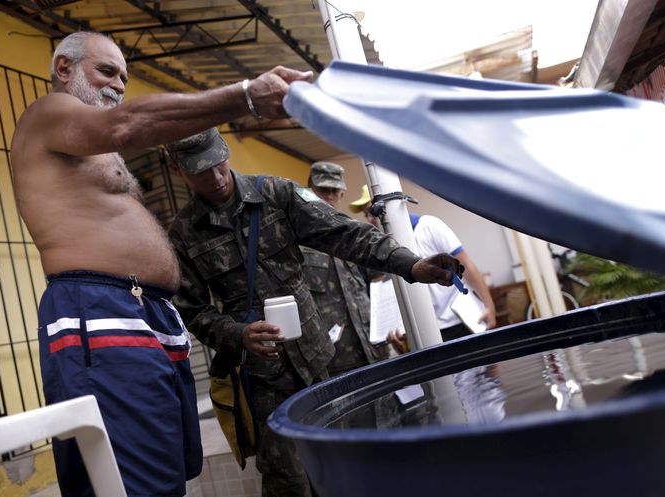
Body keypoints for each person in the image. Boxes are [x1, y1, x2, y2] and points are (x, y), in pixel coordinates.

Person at [11, 30, 314, 497]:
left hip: (144, 313)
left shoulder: (89, 145)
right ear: (64, 69)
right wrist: (245, 96)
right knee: (133, 482)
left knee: (168, 472)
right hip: (98, 310)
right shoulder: (50, 113)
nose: (116, 86)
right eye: (106, 71)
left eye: (124, 78)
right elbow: (128, 124)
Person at [166, 128, 463, 497]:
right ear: (177, 169)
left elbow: (347, 234)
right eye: (200, 170)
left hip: (319, 362)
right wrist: (236, 334)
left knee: (345, 467)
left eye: (217, 163)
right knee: (289, 483)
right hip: (260, 380)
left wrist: (412, 265)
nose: (215, 176)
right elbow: (191, 311)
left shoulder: (277, 194)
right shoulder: (182, 235)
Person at [349, 185, 497, 351]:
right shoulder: (381, 248)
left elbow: (466, 265)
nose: (370, 219)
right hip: (426, 333)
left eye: (373, 211)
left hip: (462, 321)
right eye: (366, 214)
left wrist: (489, 305)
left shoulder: (429, 226)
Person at [301, 162, 390, 375]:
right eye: (323, 190)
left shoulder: (356, 234)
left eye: (335, 191)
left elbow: (379, 287)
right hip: (331, 360)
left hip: (373, 349)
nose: (329, 196)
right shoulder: (295, 238)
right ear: (309, 188)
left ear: (342, 194)